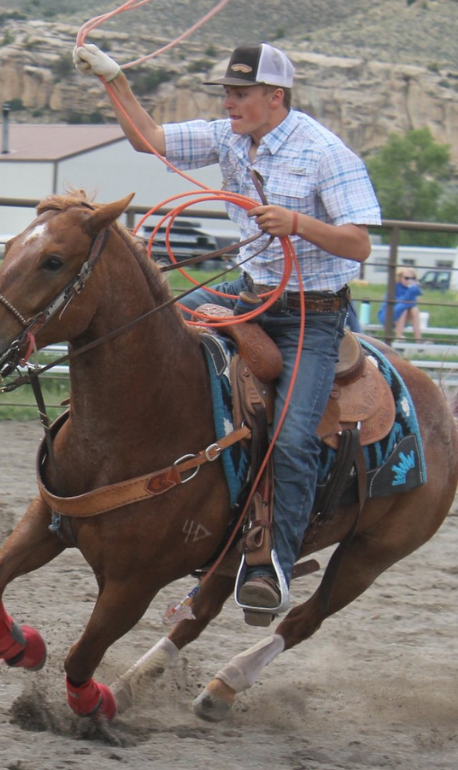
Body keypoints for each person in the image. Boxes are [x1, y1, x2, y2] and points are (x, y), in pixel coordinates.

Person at [74, 42, 382, 618]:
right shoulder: (229, 136)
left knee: (293, 438)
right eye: (227, 93)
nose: (230, 102)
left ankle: (272, 565)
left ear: (275, 97)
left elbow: (360, 244)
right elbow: (151, 140)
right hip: (248, 298)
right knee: (150, 346)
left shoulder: (325, 154)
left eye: (241, 94)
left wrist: (297, 223)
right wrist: (113, 79)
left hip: (312, 315)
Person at [389, 269, 424, 341]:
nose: (409, 280)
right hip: (393, 317)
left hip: (405, 318)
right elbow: (401, 301)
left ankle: (418, 339)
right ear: (400, 278)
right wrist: (411, 290)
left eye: (413, 278)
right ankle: (399, 337)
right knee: (403, 310)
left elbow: (419, 293)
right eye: (406, 278)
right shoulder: (395, 287)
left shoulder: (413, 289)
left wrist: (414, 287)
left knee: (415, 310)